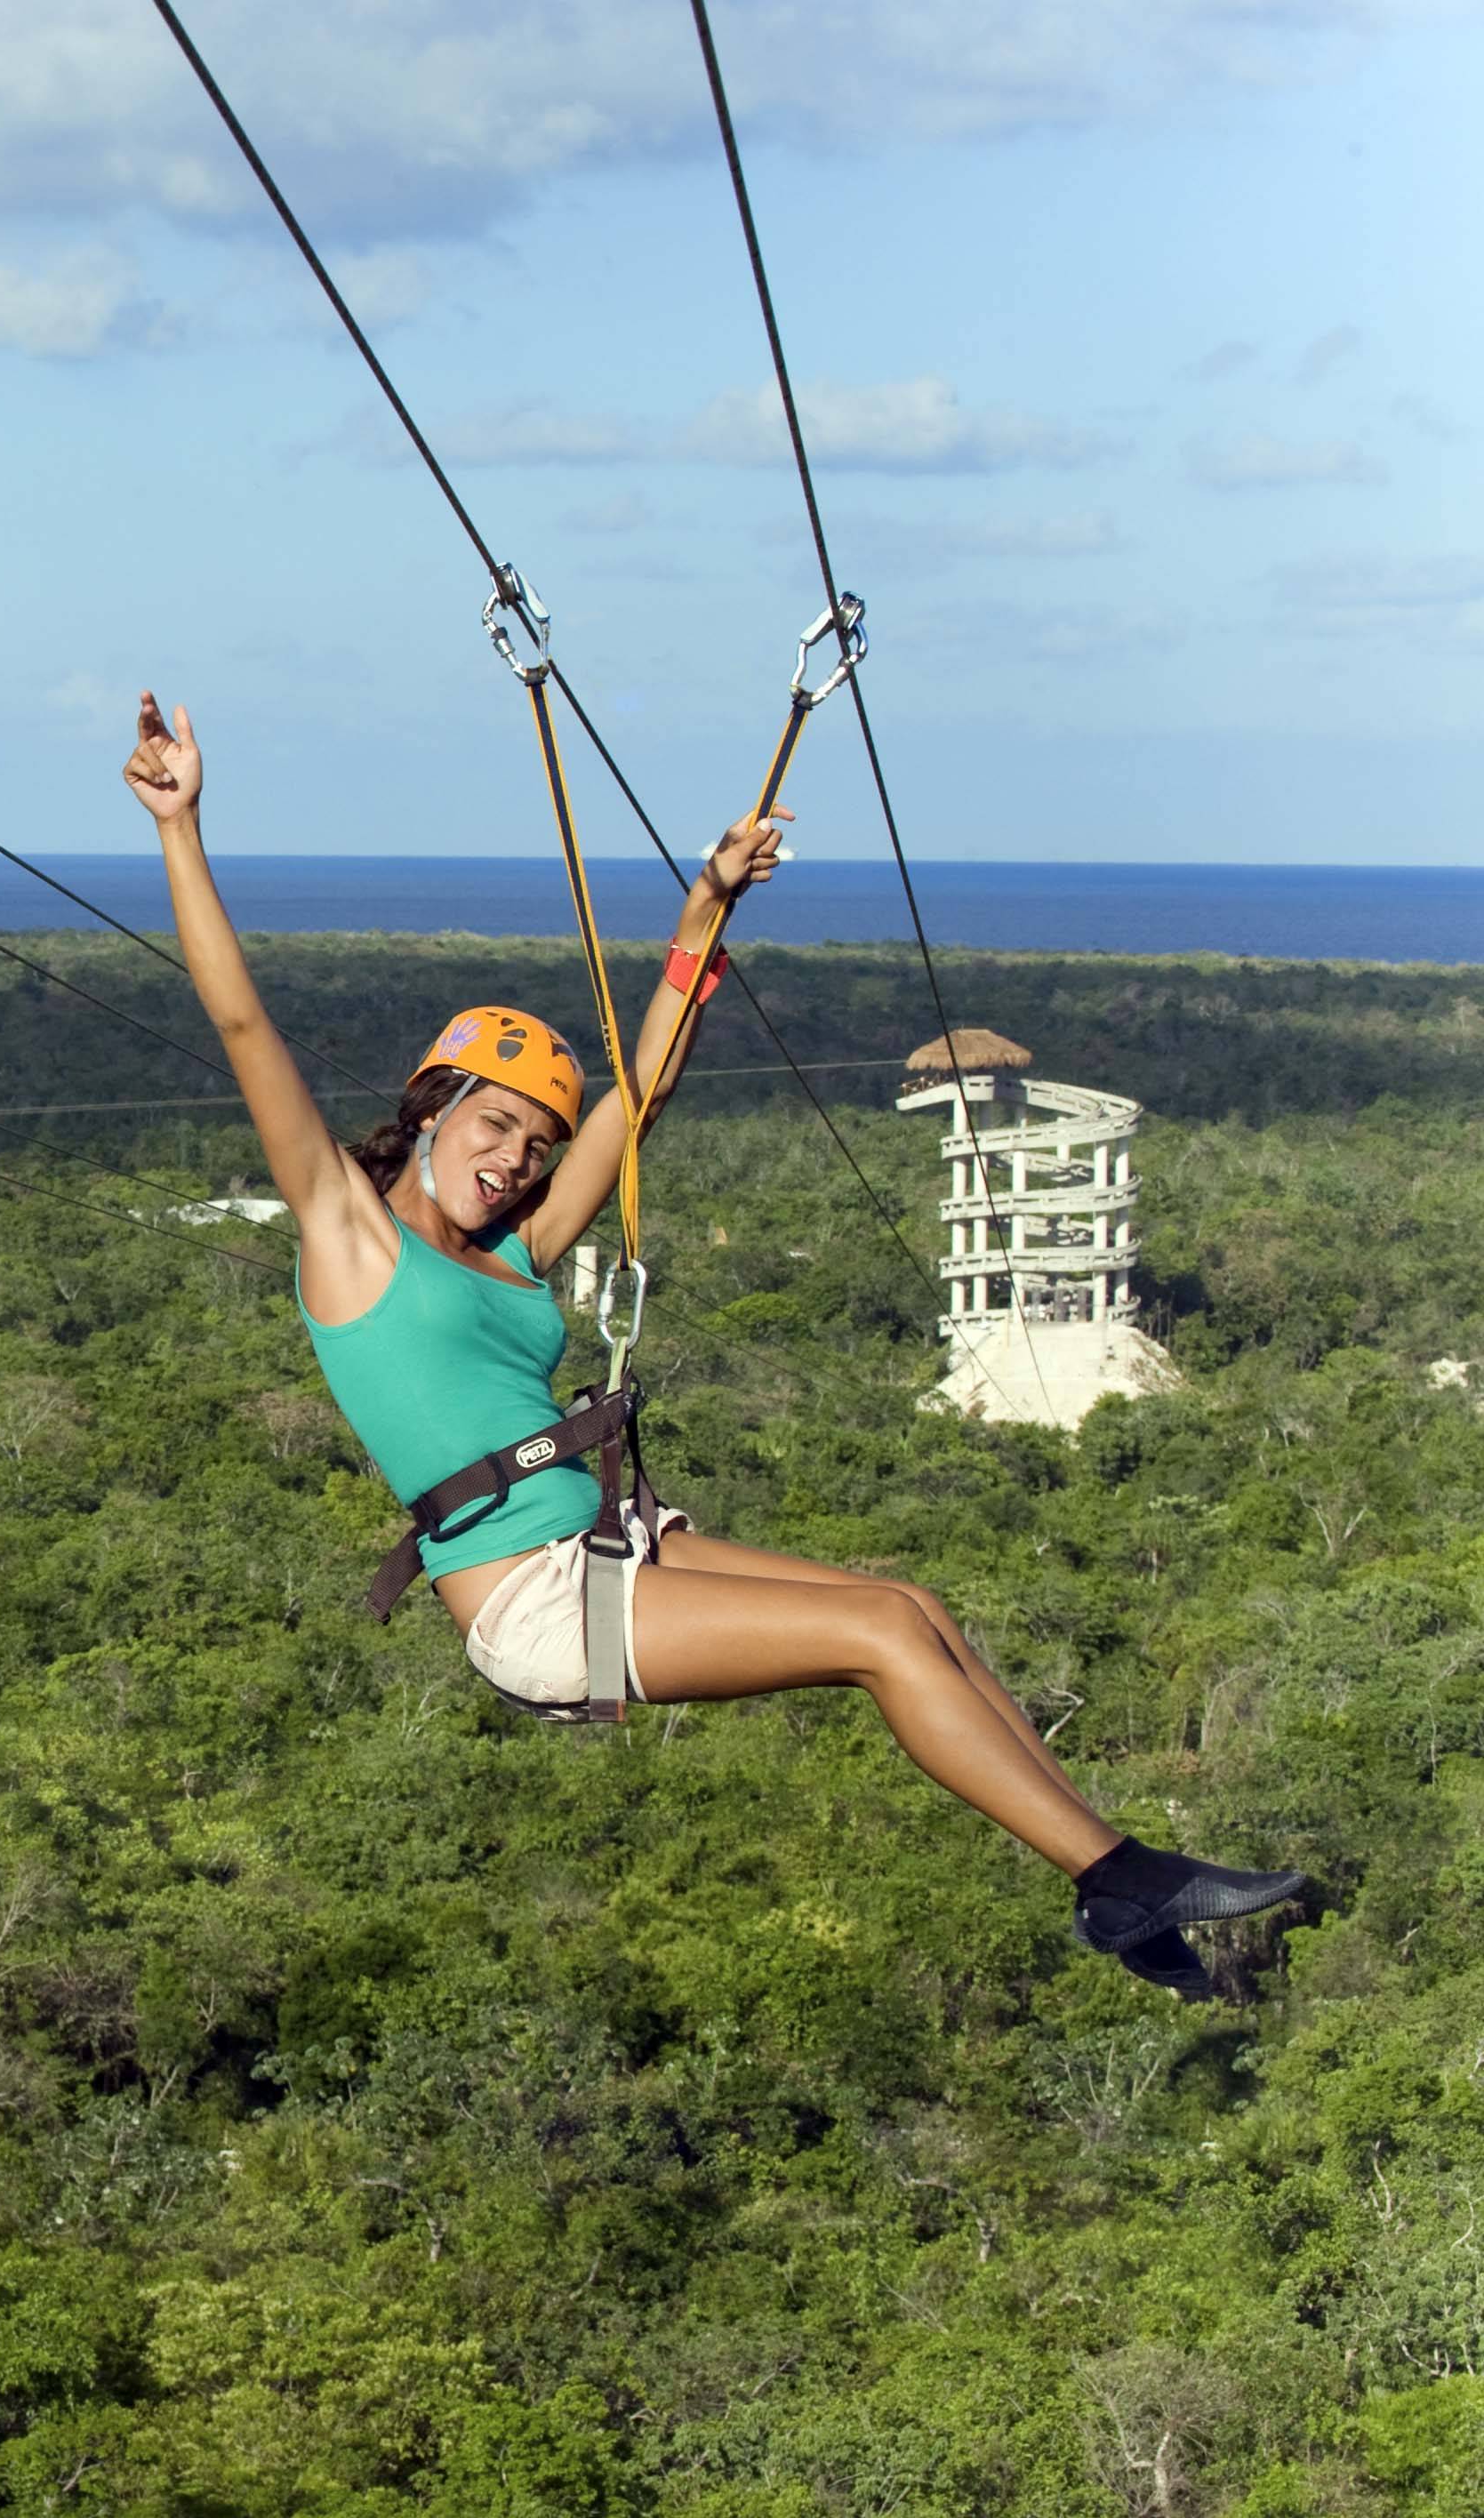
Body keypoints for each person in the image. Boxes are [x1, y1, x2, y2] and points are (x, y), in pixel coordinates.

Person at [120, 692, 1302, 1997]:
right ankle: (1116, 1880)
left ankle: (1116, 1884)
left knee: (913, 1606)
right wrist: (182, 827)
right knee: (882, 1643)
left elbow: (646, 1095)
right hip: (537, 1599)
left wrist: (704, 915)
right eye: (495, 1127)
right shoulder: (350, 1233)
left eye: (533, 1147)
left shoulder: (517, 1254)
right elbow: (243, 1029)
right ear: (435, 1107)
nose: (515, 1164)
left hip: (612, 1545)